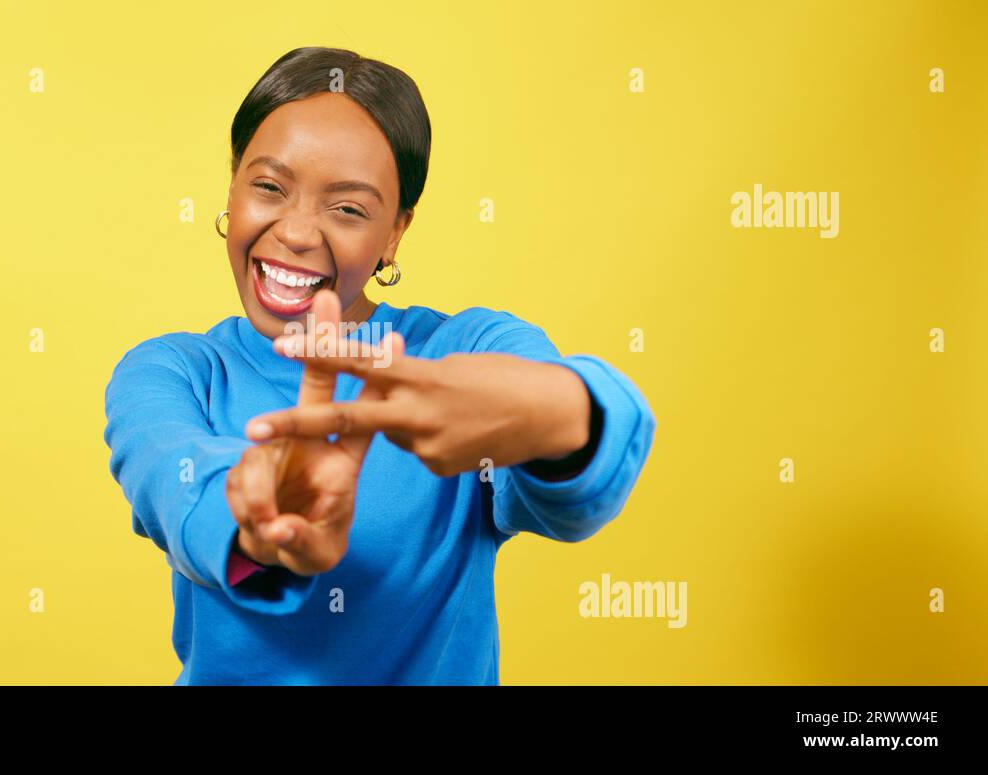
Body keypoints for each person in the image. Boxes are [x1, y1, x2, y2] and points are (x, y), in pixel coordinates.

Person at [103, 46, 656, 684]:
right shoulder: (172, 370)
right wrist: (261, 516)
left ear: (395, 232)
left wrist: (557, 414)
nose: (298, 232)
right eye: (268, 187)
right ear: (233, 184)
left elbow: (590, 440)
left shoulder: (462, 350)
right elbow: (170, 479)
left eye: (347, 209)